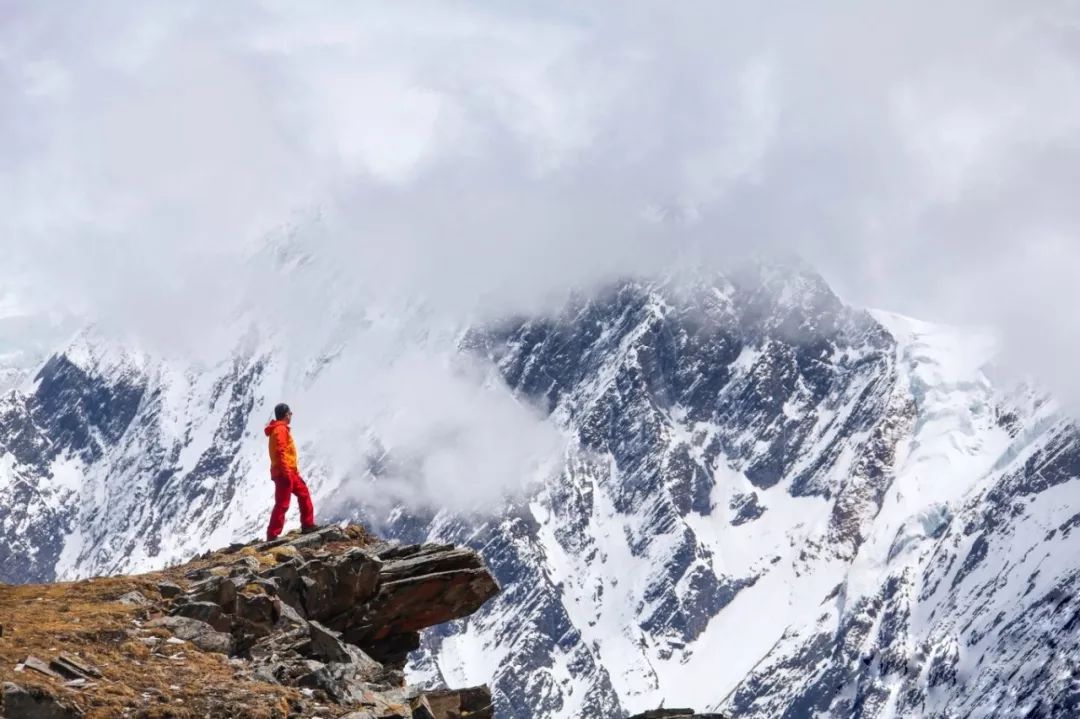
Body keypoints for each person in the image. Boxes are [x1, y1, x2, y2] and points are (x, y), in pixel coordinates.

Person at [265, 402, 317, 540]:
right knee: (283, 503)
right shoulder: (280, 430)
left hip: (288, 471)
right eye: (290, 413)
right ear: (286, 415)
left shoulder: (278, 429)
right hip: (284, 472)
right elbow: (280, 452)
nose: (291, 416)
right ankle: (272, 534)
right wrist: (287, 472)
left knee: (303, 494)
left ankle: (308, 524)